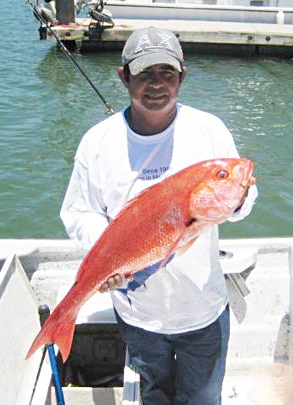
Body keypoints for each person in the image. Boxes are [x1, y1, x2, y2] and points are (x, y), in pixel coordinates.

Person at [60, 26, 258, 404]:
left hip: (203, 311)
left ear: (182, 77)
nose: (156, 84)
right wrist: (110, 251)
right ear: (124, 77)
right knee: (154, 395)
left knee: (202, 398)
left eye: (167, 73)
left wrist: (238, 200)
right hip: (138, 316)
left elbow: (241, 204)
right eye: (145, 73)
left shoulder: (209, 130)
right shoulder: (97, 142)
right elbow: (78, 212)